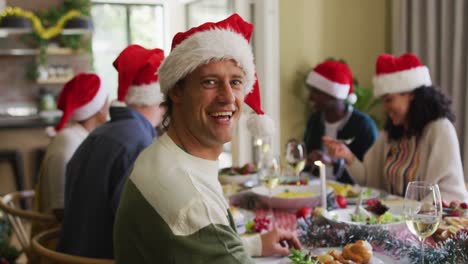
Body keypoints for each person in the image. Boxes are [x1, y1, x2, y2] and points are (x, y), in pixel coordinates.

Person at [114, 14, 301, 264]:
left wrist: (252, 243)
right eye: (210, 82)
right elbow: (196, 218)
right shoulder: (191, 199)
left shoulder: (162, 156)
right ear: (176, 91)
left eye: (235, 82)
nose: (228, 97)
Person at [57, 45, 166, 258]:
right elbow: (136, 227)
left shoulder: (102, 132)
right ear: (161, 97)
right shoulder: (138, 141)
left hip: (72, 256)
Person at [323, 53, 468, 201]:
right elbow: (368, 180)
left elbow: (450, 193)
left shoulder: (439, 129)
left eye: (389, 100)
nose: (385, 107)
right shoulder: (390, 133)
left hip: (422, 221)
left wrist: (414, 215)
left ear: (411, 94)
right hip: (393, 219)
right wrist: (347, 156)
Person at [36, 73, 108, 218]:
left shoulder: (81, 138)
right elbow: (60, 210)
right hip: (55, 237)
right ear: (99, 110)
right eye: (107, 102)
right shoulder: (69, 143)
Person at [304, 60, 378, 184]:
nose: (310, 97)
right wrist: (310, 159)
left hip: (350, 196)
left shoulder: (363, 125)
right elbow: (306, 163)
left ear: (333, 94)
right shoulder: (314, 120)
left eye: (316, 92)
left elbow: (370, 177)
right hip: (316, 190)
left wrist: (334, 162)